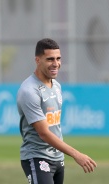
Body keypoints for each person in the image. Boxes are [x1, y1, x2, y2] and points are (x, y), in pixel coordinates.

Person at [17, 38, 97, 184]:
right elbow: (44, 133)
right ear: (37, 60)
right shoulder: (29, 91)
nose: (56, 64)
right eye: (50, 59)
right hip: (36, 157)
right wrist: (76, 154)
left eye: (58, 58)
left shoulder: (57, 86)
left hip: (57, 157)